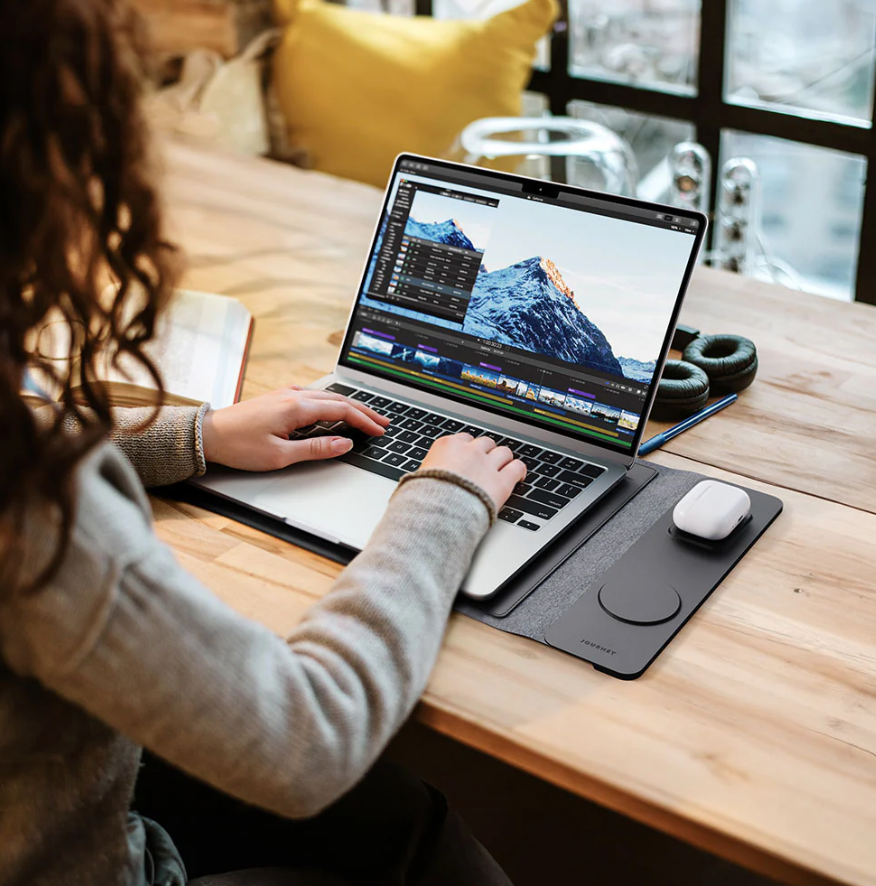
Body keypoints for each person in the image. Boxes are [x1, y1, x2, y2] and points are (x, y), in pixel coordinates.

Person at [0, 1, 527, 885]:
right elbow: (307, 740)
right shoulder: (42, 513)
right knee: (415, 833)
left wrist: (194, 436)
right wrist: (444, 502)